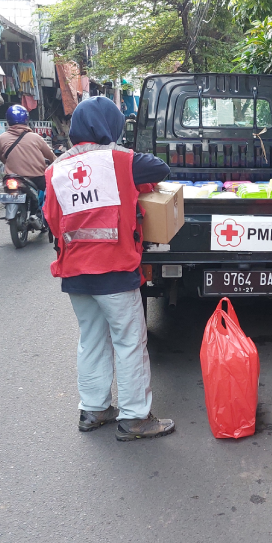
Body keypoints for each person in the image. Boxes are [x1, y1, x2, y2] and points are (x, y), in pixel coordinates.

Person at [43, 96, 175, 441]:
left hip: (74, 270)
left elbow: (52, 220)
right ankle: (135, 418)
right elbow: (161, 169)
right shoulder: (120, 159)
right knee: (129, 342)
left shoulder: (55, 169)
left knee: (91, 341)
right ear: (110, 127)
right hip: (114, 269)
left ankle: (94, 409)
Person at [0, 105, 57, 190]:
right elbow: (50, 156)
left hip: (12, 178)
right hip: (36, 178)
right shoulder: (36, 138)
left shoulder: (1, 138)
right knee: (49, 195)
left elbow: (2, 158)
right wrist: (56, 161)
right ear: (26, 119)